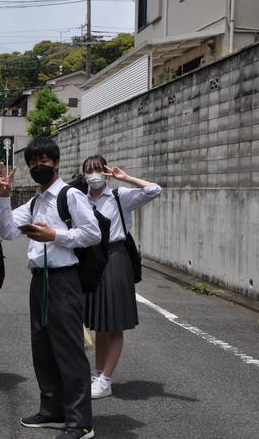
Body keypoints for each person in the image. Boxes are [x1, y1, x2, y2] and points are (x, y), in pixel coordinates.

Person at [0, 137, 101, 439]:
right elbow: (6, 231)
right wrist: (4, 198)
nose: (37, 167)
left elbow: (92, 234)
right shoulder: (34, 201)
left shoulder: (71, 196)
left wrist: (55, 235)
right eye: (32, 163)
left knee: (69, 350)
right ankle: (53, 410)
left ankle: (80, 422)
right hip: (38, 280)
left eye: (43, 161)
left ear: (56, 163)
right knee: (42, 348)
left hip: (64, 279)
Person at [82, 156, 162, 399]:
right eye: (89, 170)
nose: (93, 174)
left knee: (114, 322)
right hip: (91, 259)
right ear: (83, 174)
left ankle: (106, 378)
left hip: (116, 257)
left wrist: (125, 178)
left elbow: (154, 190)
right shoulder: (81, 201)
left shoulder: (120, 196)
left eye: (98, 169)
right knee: (98, 322)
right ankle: (97, 374)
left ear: (106, 172)